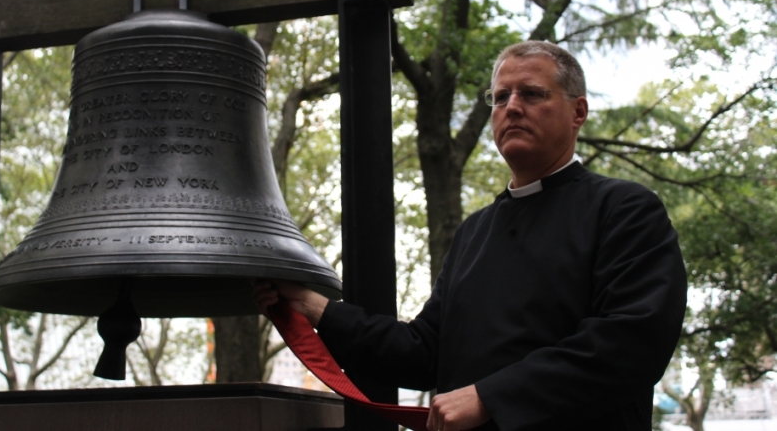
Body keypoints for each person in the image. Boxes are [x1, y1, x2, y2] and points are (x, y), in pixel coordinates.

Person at [254, 41, 687, 431]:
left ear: (578, 112)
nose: (512, 107)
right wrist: (314, 308)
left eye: (531, 93)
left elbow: (632, 343)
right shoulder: (474, 232)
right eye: (500, 97)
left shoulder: (625, 209)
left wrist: (490, 397)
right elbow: (424, 353)